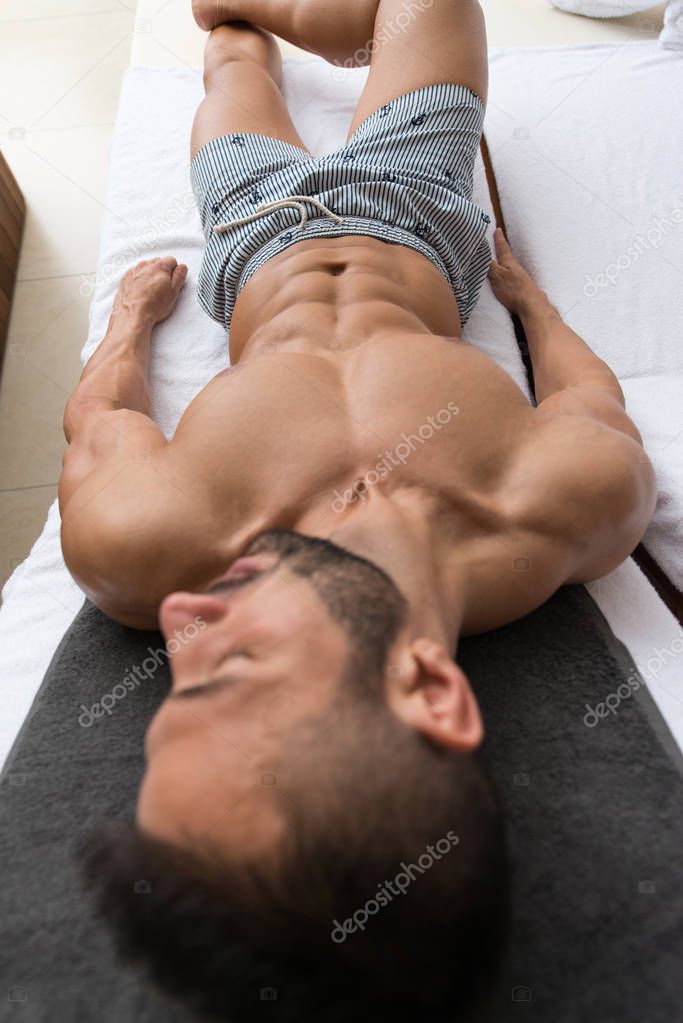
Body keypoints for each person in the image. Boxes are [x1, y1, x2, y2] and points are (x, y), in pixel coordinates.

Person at [65, 1, 656, 1019]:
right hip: (412, 206)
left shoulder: (142, 543)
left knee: (229, 57)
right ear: (426, 686)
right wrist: (531, 305)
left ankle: (239, 13)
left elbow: (99, 419)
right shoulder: (563, 507)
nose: (179, 622)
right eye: (229, 669)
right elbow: (585, 395)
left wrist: (129, 322)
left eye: (169, 696)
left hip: (253, 231)